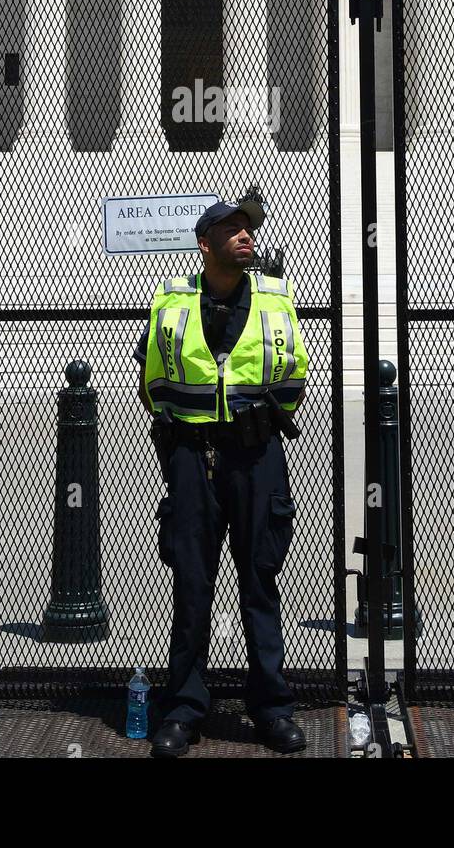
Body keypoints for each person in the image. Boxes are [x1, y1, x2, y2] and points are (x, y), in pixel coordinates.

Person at [133, 198, 309, 757]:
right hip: (192, 458)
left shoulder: (276, 300)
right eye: (231, 229)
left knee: (260, 582)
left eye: (248, 228)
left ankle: (271, 709)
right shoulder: (172, 302)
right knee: (192, 586)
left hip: (257, 459)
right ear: (204, 244)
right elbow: (152, 380)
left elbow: (294, 379)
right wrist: (179, 442)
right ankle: (184, 709)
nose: (245, 235)